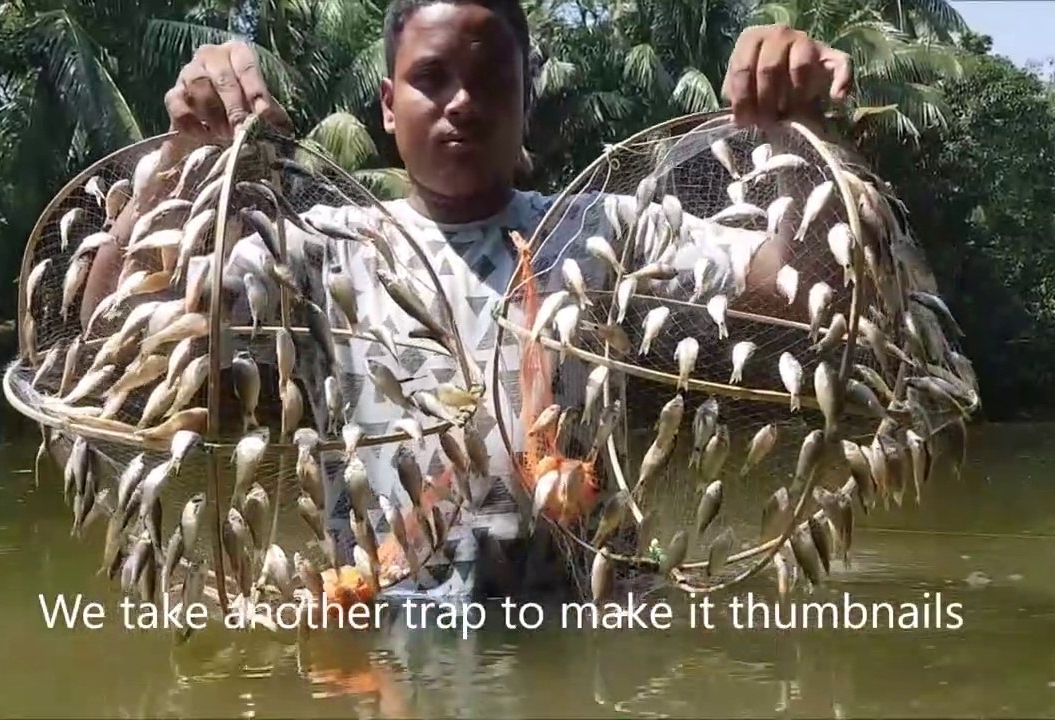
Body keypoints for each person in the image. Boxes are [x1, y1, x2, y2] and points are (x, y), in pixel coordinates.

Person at [87, 2, 853, 601]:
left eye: (491, 82)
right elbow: (105, 334)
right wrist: (179, 154)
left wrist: (798, 140)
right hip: (382, 622)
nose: (461, 102)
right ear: (388, 105)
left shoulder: (605, 230)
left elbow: (805, 294)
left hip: (580, 620)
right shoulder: (319, 249)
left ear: (526, 105)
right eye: (431, 78)